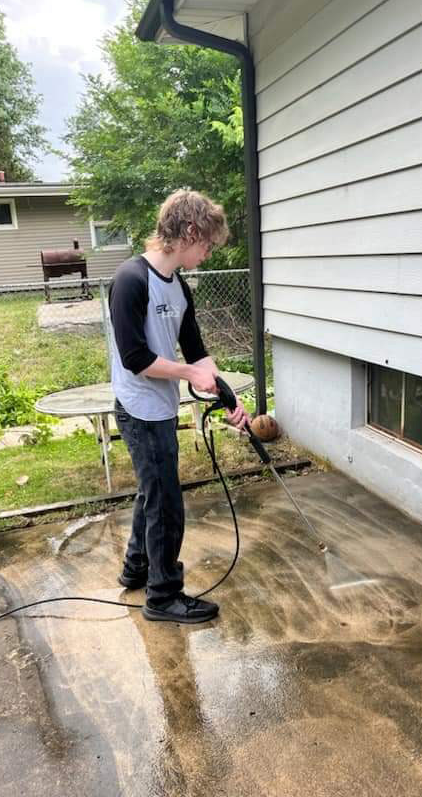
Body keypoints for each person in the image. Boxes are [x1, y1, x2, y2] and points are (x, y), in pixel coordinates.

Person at [108, 189, 250, 624]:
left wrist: (228, 396)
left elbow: (195, 349)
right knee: (166, 504)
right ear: (190, 232)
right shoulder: (131, 279)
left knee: (153, 491)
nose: (208, 253)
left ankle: (136, 569)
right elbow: (134, 359)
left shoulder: (180, 286)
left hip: (161, 405)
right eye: (207, 244)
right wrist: (191, 376)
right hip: (138, 408)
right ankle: (163, 596)